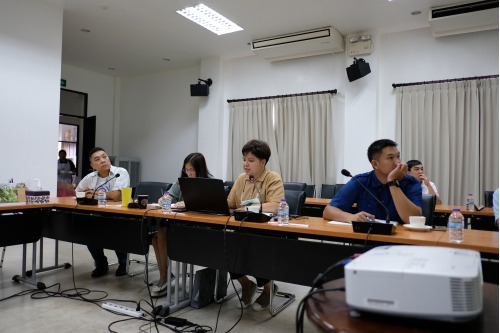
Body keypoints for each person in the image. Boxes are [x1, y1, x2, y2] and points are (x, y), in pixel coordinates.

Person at [227, 139, 285, 311]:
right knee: (226, 246)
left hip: (265, 230)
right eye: (244, 159)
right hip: (241, 227)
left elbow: (276, 205)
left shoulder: (272, 178)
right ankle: (247, 286)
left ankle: (268, 289)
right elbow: (230, 203)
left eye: (250, 160)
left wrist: (246, 207)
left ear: (263, 162)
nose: (246, 164)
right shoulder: (241, 179)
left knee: (255, 249)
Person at [151, 153, 213, 297]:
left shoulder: (209, 184)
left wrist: (189, 203)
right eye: (186, 170)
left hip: (199, 230)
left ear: (200, 169)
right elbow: (170, 196)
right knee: (156, 236)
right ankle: (164, 275)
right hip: (180, 226)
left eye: (192, 170)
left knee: (162, 233)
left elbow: (210, 206)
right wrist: (164, 198)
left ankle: (164, 277)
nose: (189, 173)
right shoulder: (181, 183)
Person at [323, 139, 422, 224]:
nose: (398, 162)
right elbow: (328, 211)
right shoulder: (361, 181)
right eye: (390, 158)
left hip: (400, 241)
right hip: (366, 239)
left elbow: (413, 220)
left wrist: (393, 182)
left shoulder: (410, 182)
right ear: (375, 164)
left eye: (398, 156)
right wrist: (351, 217)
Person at [76, 147, 130, 277]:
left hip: (119, 213)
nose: (103, 160)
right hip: (98, 213)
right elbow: (78, 192)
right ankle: (101, 264)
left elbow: (115, 196)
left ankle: (123, 263)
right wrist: (88, 194)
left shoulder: (120, 172)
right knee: (89, 230)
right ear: (92, 165)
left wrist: (93, 195)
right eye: (97, 159)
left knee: (117, 228)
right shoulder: (91, 177)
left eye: (104, 157)